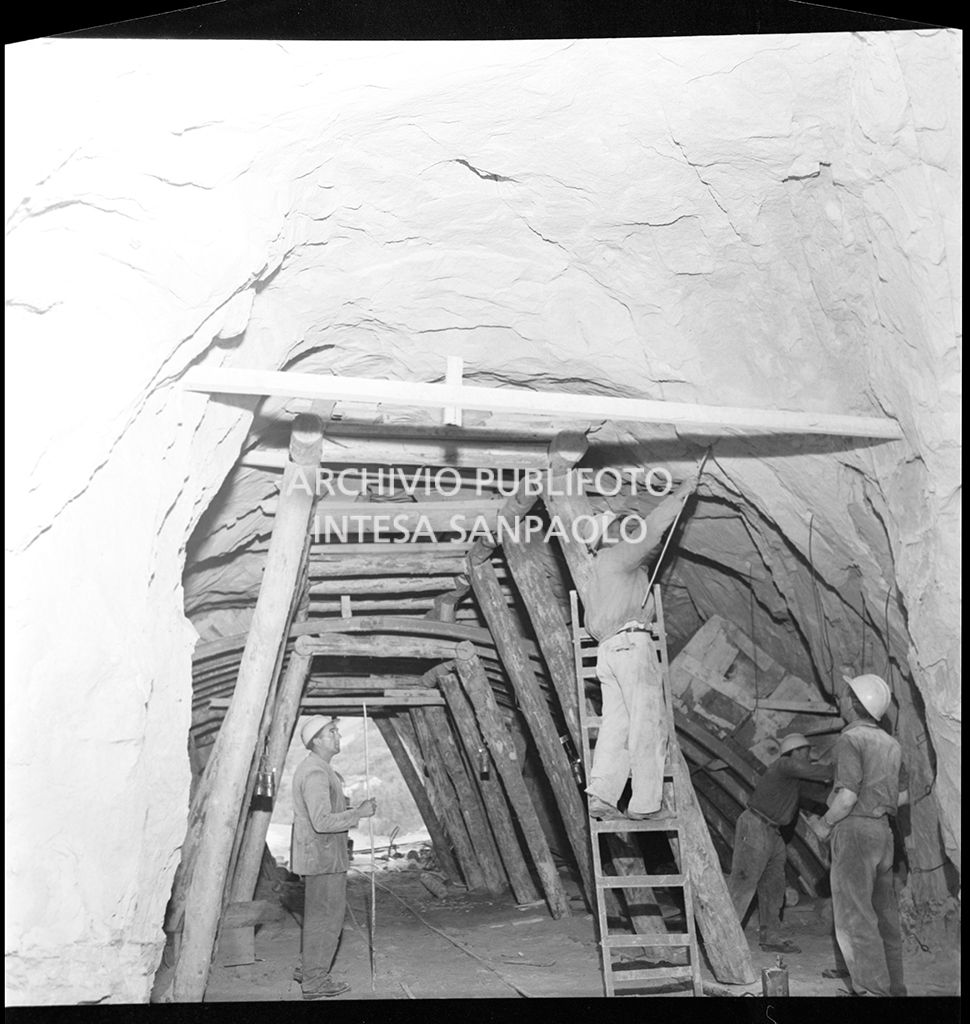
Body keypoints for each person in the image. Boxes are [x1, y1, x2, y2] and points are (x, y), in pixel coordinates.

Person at [584, 467, 699, 820]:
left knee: (616, 726)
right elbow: (649, 535)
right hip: (631, 647)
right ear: (608, 536)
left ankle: (602, 795)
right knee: (648, 723)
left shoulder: (601, 573)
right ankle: (646, 805)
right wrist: (681, 495)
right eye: (618, 527)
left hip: (609, 653)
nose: (624, 529)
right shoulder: (617, 558)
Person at [815, 674, 908, 997]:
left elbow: (847, 796)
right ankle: (894, 989)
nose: (840, 700)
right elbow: (903, 795)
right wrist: (877, 805)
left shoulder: (850, 739)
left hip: (854, 830)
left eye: (844, 696)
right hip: (884, 834)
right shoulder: (891, 744)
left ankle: (871, 991)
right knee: (884, 915)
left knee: (855, 917)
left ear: (855, 704)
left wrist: (825, 825)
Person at [290, 716, 377, 1000]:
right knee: (327, 918)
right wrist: (358, 814)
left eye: (336, 730)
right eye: (331, 731)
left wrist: (350, 808)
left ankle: (308, 969)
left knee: (318, 915)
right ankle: (315, 980)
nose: (337, 735)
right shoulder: (316, 773)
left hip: (321, 855)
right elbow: (322, 821)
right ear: (316, 740)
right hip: (323, 856)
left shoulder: (320, 769)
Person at [727, 733, 834, 954]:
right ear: (793, 752)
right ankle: (724, 939)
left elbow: (822, 794)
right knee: (743, 883)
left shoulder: (794, 780)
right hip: (756, 824)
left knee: (774, 887)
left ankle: (771, 937)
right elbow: (814, 772)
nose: (809, 756)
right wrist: (840, 770)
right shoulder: (784, 765)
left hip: (774, 833)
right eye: (805, 751)